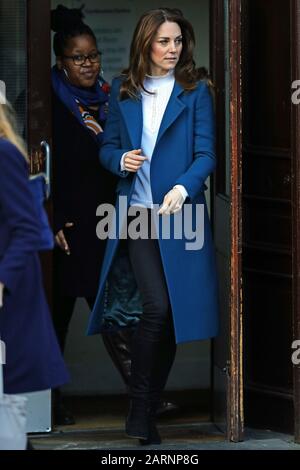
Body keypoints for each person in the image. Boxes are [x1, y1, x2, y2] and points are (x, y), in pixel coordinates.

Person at [87, 8, 219, 445]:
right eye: (164, 41)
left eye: (178, 41)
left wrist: (184, 187)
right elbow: (106, 147)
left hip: (181, 216)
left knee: (174, 315)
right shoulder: (123, 91)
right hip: (138, 215)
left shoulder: (196, 90)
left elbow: (206, 154)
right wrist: (119, 160)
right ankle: (141, 406)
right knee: (157, 308)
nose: (172, 49)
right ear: (146, 43)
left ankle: (142, 411)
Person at [50, 5, 176, 425]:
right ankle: (45, 404)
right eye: (78, 57)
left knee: (117, 311)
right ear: (60, 62)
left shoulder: (110, 97)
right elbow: (35, 165)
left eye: (93, 55)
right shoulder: (46, 102)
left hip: (107, 220)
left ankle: (143, 396)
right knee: (57, 320)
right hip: (65, 230)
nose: (88, 64)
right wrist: (49, 217)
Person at [0, 101, 69, 449]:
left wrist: (2, 280)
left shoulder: (3, 154)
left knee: (6, 405)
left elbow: (27, 227)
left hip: (7, 295)